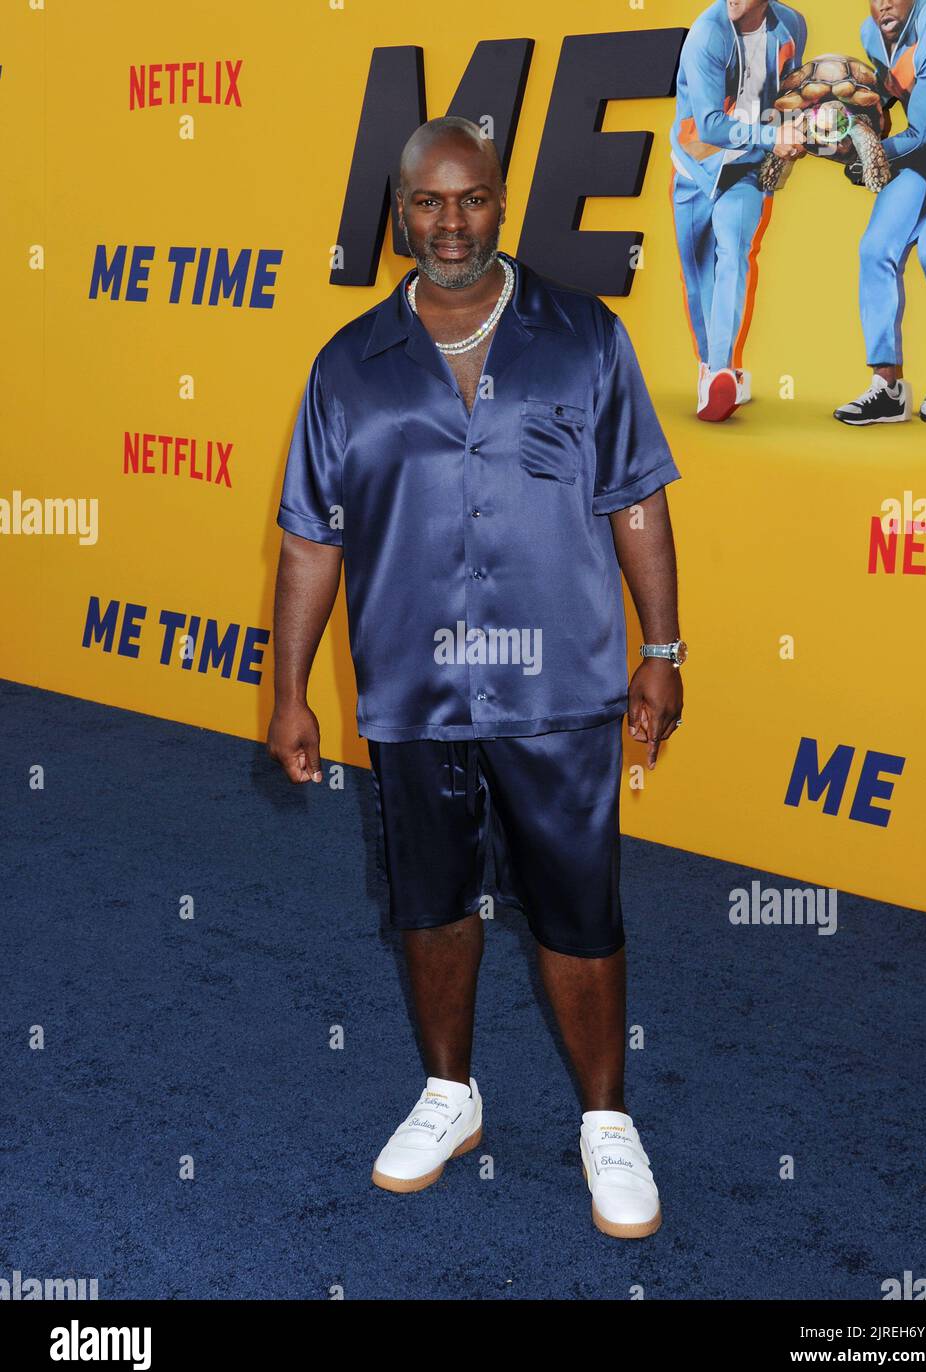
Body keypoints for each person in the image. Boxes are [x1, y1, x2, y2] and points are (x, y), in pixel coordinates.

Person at [267, 116, 686, 1239]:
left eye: (472, 199)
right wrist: (289, 687)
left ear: (502, 202)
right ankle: (451, 1095)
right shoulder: (345, 364)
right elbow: (313, 537)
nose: (450, 222)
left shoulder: (587, 338)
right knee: (431, 904)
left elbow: (636, 498)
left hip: (562, 691)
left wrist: (662, 647)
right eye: (427, 203)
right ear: (399, 212)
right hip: (410, 692)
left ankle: (606, 1119)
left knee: (577, 912)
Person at [835, 0, 926, 426]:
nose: (884, 3)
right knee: (875, 249)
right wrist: (834, 123)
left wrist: (860, 156)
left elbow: (921, 132)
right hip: (924, 155)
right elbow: (884, 103)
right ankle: (888, 388)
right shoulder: (870, 31)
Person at [670, 0, 808, 422]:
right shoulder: (706, 34)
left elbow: (790, 92)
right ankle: (711, 366)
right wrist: (773, 135)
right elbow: (710, 126)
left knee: (734, 251)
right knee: (697, 274)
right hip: (695, 165)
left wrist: (805, 127)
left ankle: (721, 372)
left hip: (747, 167)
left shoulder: (792, 26)